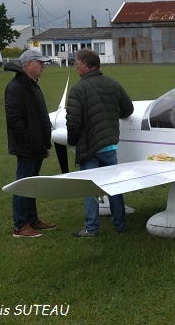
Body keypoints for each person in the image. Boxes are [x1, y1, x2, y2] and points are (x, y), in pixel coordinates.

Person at [67, 49, 134, 237]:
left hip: (89, 147)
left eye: (77, 64)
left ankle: (91, 228)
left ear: (86, 65)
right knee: (115, 186)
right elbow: (128, 109)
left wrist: (72, 142)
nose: (76, 68)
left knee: (90, 188)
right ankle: (120, 226)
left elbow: (73, 122)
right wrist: (112, 114)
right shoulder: (113, 84)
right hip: (110, 146)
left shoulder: (78, 90)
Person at [4, 49, 57, 238]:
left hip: (36, 146)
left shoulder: (32, 84)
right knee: (23, 184)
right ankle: (20, 225)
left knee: (32, 184)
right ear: (28, 64)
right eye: (39, 62)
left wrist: (44, 144)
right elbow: (14, 120)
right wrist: (31, 141)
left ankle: (32, 219)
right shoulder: (16, 87)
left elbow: (41, 116)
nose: (43, 66)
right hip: (26, 147)